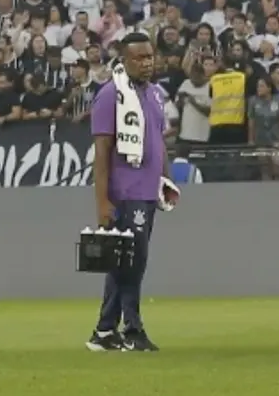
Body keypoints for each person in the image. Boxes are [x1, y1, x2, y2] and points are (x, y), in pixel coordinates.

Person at [86, 33, 176, 352]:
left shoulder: (154, 94)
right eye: (139, 58)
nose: (147, 62)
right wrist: (102, 202)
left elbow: (159, 141)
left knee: (123, 262)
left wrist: (166, 180)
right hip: (125, 192)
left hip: (148, 190)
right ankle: (133, 329)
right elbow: (102, 151)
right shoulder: (111, 95)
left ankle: (105, 330)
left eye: (150, 56)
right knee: (133, 262)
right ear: (123, 60)